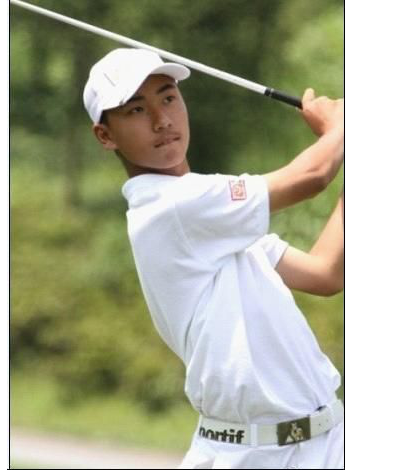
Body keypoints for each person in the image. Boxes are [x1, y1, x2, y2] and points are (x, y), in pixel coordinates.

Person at [83, 48, 344, 469]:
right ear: (105, 136)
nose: (161, 120)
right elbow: (312, 177)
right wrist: (340, 128)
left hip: (330, 442)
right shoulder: (170, 208)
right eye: (136, 109)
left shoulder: (213, 216)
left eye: (168, 98)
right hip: (253, 456)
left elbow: (325, 273)